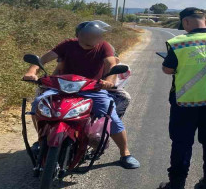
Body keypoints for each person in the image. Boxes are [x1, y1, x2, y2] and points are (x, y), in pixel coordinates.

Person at [22, 20, 140, 169]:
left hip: (92, 89)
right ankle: (41, 140)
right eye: (91, 36)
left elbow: (111, 64)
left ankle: (125, 153)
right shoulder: (68, 44)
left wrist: (109, 80)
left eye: (97, 36)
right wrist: (32, 71)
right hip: (61, 86)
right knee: (39, 104)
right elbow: (42, 59)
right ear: (80, 36)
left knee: (110, 114)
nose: (96, 39)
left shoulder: (104, 46)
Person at [158, 8, 206, 189]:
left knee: (182, 142)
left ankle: (177, 184)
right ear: (205, 20)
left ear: (186, 22)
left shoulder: (178, 43)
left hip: (186, 100)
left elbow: (168, 69)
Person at [54, 43, 132, 119]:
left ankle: (110, 123)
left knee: (121, 102)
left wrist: (106, 81)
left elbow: (113, 81)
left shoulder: (116, 67)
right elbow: (55, 74)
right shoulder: (73, 60)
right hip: (70, 88)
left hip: (100, 90)